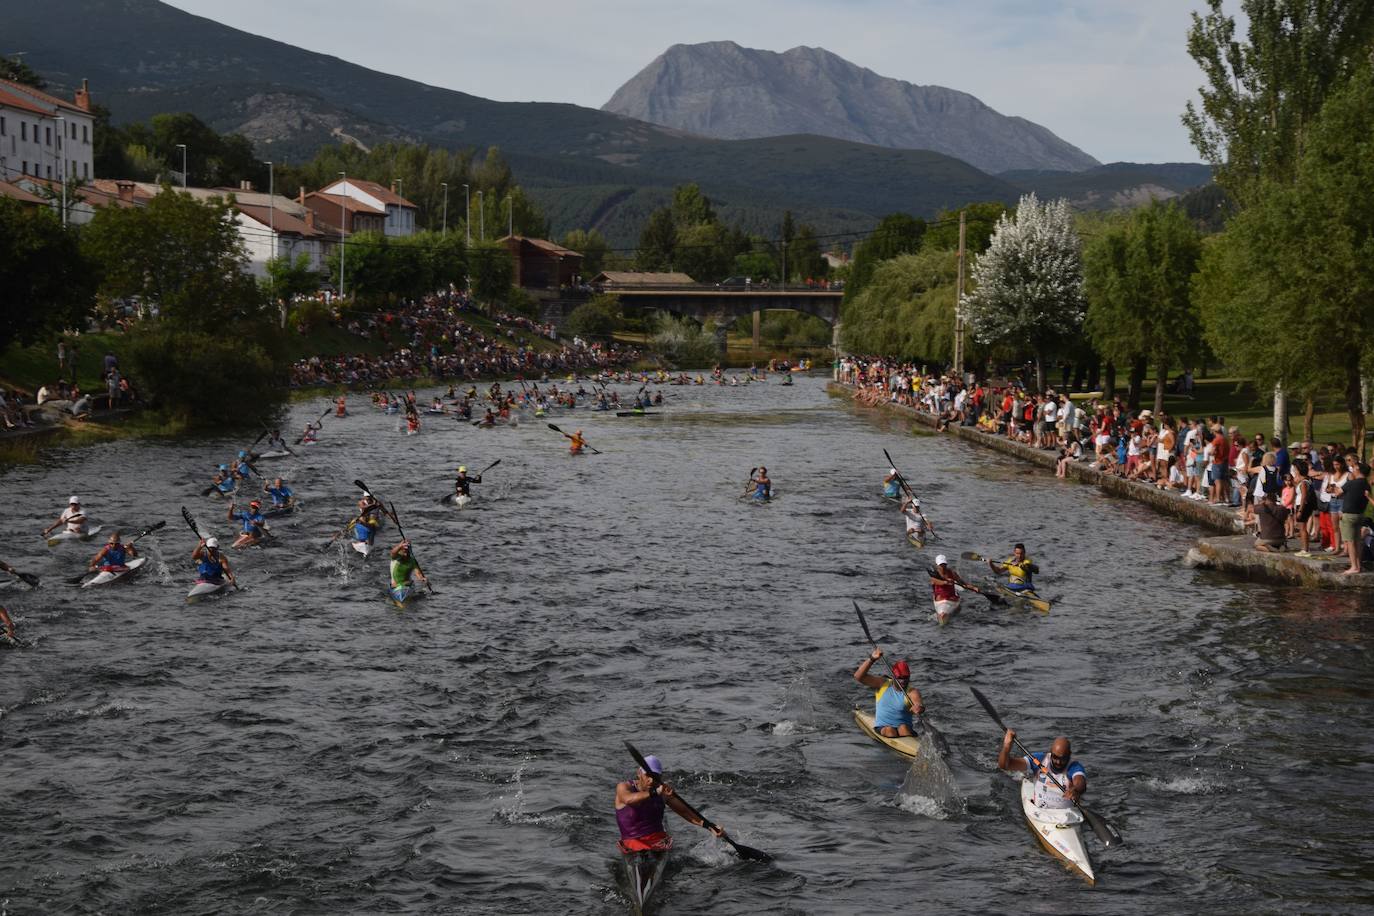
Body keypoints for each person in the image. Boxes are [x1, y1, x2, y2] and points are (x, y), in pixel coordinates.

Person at [614, 754, 725, 855]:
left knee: (652, 853)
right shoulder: (624, 787)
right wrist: (655, 792)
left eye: (655, 776)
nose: (651, 780)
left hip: (658, 841)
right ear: (639, 773)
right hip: (632, 842)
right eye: (648, 775)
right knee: (641, 853)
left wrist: (710, 827)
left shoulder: (664, 793)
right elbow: (628, 799)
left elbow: (685, 811)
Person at [998, 729, 1087, 810]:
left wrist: (1076, 789)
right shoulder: (1039, 760)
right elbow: (1005, 765)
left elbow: (1080, 782)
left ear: (1069, 755)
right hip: (1040, 813)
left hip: (1067, 816)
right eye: (1055, 757)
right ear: (1050, 752)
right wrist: (1007, 746)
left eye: (1063, 758)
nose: (1058, 762)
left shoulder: (1074, 767)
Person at [852, 647, 924, 737]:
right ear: (893, 676)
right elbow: (858, 676)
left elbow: (918, 703)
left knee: (903, 728)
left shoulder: (912, 692)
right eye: (900, 678)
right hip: (884, 728)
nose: (903, 681)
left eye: (906, 677)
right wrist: (872, 659)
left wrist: (919, 707)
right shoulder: (882, 684)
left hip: (905, 729)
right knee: (890, 730)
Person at [929, 554, 982, 623]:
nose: (943, 567)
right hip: (940, 599)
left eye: (944, 564)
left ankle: (944, 614)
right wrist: (946, 582)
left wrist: (974, 588)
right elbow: (936, 581)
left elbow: (963, 584)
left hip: (951, 598)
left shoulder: (952, 573)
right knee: (940, 599)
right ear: (937, 565)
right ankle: (943, 614)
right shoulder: (934, 575)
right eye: (941, 565)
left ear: (946, 564)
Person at [1340, 460, 1369, 575]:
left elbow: (1338, 492)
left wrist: (1332, 489)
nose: (1352, 470)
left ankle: (1354, 567)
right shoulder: (1366, 484)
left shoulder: (1351, 483)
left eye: (1354, 468)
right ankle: (1358, 565)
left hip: (1349, 515)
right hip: (1360, 514)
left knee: (1350, 542)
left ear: (1358, 470)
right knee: (1357, 541)